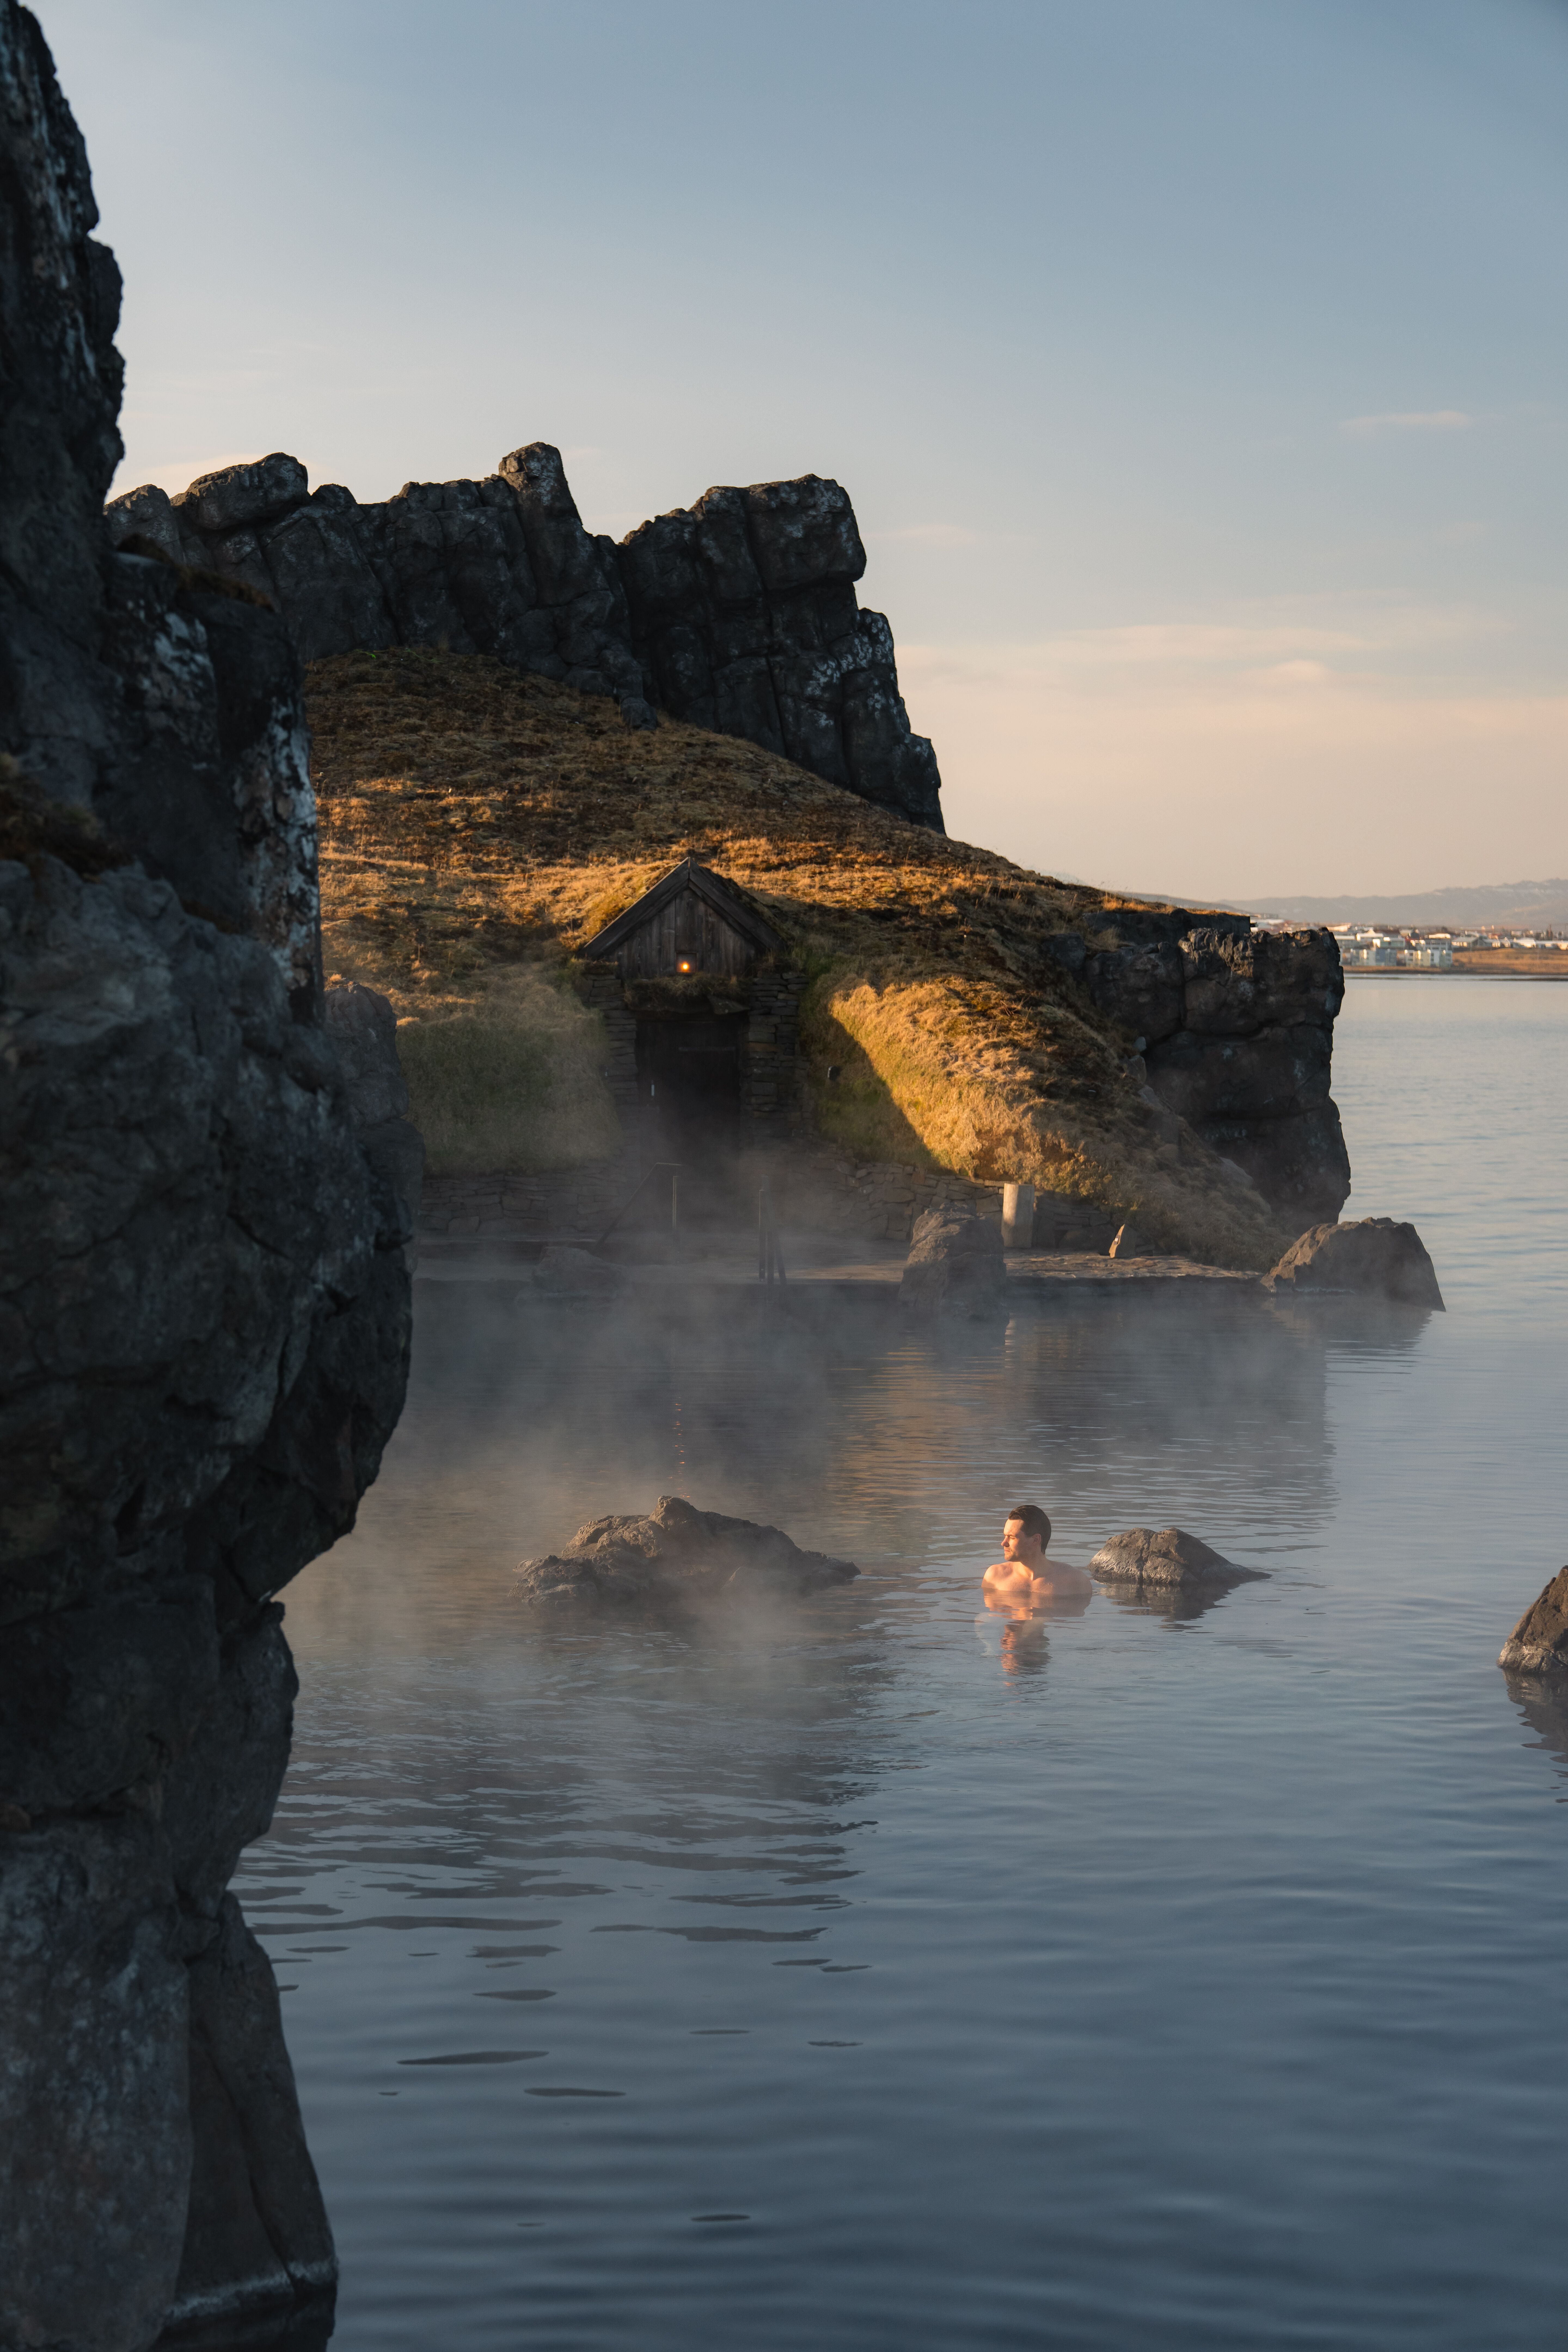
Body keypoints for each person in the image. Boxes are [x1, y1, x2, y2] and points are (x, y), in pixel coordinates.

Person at [982, 1503, 1092, 1606]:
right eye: (1005, 1536)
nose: (1004, 1543)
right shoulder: (995, 1576)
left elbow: (1081, 1622)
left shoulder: (1076, 1582)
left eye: (1012, 1537)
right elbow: (988, 1617)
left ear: (1035, 1540)